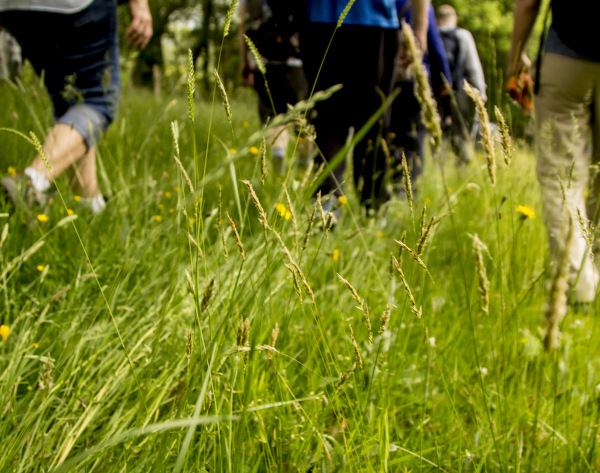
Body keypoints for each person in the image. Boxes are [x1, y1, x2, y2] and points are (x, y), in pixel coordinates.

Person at [0, 0, 152, 214]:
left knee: (72, 109)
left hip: (14, 8)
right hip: (74, 6)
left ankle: (92, 207)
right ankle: (31, 183)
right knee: (97, 101)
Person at [507, 0, 600, 303]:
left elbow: (529, 3)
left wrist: (516, 55)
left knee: (561, 175)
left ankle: (579, 287)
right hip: (567, 54)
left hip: (567, 55)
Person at [299, 0, 429, 211]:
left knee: (330, 120)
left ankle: (330, 204)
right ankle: (371, 207)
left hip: (321, 18)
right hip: (371, 19)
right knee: (373, 122)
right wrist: (419, 29)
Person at [239, 0, 308, 174]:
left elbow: (243, 28)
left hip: (266, 65)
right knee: (303, 120)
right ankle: (303, 167)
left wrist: (245, 63)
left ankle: (279, 157)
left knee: (274, 117)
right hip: (298, 67)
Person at [389, 0, 452, 191]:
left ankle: (392, 184)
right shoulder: (419, 6)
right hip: (416, 79)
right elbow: (434, 44)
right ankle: (408, 190)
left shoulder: (387, 5)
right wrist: (445, 82)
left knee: (391, 135)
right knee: (413, 138)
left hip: (388, 79)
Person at [436, 4, 486, 162]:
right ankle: (463, 162)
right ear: (454, 18)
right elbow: (473, 66)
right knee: (461, 127)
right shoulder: (463, 35)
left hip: (436, 90)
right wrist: (481, 92)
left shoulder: (434, 34)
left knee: (438, 127)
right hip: (459, 89)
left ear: (438, 19)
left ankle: (439, 163)